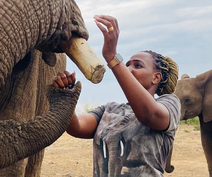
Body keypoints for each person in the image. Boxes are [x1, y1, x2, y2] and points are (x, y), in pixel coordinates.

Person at [53, 15, 180, 177]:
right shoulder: (109, 110)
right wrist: (66, 96)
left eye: (138, 65)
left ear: (156, 77)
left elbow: (150, 114)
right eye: (126, 65)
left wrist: (113, 58)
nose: (128, 69)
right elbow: (76, 127)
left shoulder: (170, 103)